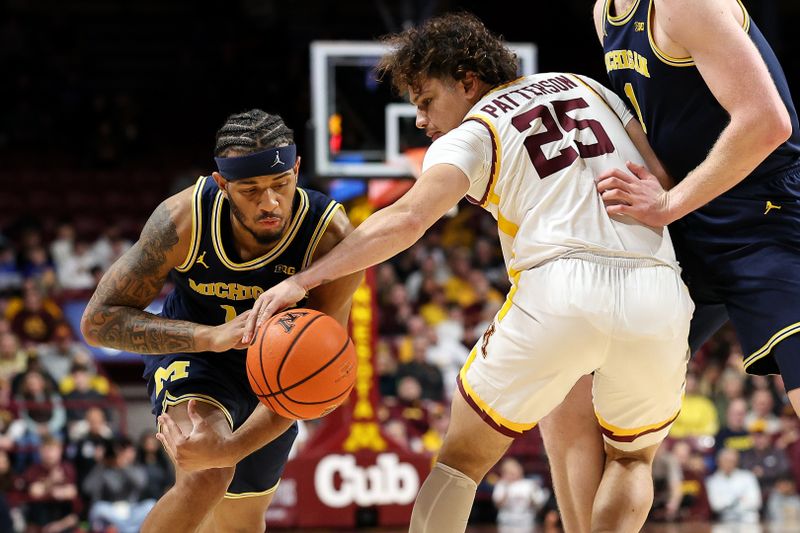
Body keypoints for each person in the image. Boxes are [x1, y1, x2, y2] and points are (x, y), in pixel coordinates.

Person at [242, 13, 694, 533]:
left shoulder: (475, 130)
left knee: (460, 463)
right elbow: (661, 179)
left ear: (467, 81)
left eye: (425, 100)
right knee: (632, 460)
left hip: (561, 288)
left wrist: (304, 279)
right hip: (658, 290)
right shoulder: (588, 85)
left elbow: (409, 218)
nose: (419, 119)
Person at [535, 1, 800, 529]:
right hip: (686, 231)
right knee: (570, 384)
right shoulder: (603, 12)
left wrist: (668, 204)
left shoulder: (683, 3)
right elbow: (653, 123)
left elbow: (768, 122)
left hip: (763, 222)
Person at [80, 110, 361, 533]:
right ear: (223, 184)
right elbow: (98, 322)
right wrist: (211, 338)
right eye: (250, 190)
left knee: (242, 522)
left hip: (274, 372)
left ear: (297, 170)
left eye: (281, 185)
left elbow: (311, 372)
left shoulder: (331, 238)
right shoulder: (183, 220)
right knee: (206, 475)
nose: (269, 203)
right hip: (195, 353)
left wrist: (233, 448)